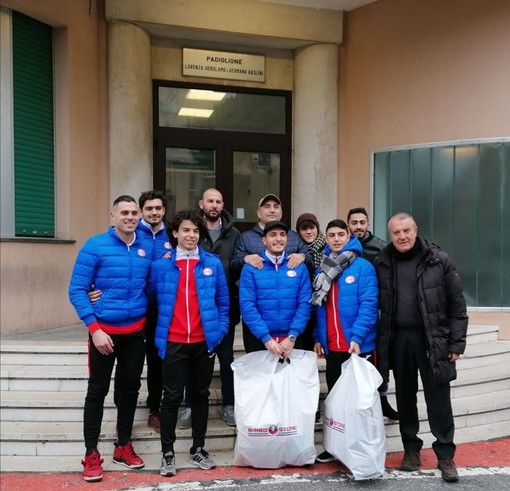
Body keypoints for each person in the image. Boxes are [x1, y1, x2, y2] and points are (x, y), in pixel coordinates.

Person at [374, 212, 468, 483]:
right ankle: (411, 450)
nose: (402, 236)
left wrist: (456, 343)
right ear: (390, 234)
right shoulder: (383, 261)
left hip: (433, 339)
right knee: (404, 397)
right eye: (396, 232)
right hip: (399, 340)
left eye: (406, 231)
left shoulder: (438, 260)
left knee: (438, 397)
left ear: (416, 231)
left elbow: (457, 305)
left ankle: (445, 454)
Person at [69, 195, 152, 482]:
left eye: (134, 212)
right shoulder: (95, 246)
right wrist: (95, 328)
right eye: (124, 212)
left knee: (129, 391)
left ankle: (123, 446)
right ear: (112, 216)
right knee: (97, 392)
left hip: (135, 332)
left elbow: (155, 283)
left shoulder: (146, 246)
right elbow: (77, 289)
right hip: (103, 333)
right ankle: (91, 453)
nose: (130, 217)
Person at [151, 210, 230, 477]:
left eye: (196, 231)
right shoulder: (161, 265)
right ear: (175, 233)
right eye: (186, 230)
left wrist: (217, 333)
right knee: (171, 398)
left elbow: (223, 303)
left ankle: (198, 448)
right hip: (173, 342)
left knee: (200, 396)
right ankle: (168, 453)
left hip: (203, 343)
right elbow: (151, 302)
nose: (191, 235)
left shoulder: (213, 263)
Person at [88, 190, 171, 433]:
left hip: (162, 310)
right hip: (131, 312)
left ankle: (154, 409)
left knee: (157, 362)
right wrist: (93, 289)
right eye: (148, 209)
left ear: (164, 210)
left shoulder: (173, 235)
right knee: (124, 370)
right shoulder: (133, 236)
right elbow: (110, 270)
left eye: (158, 208)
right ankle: (122, 413)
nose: (153, 212)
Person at [311, 219, 379, 463]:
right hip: (333, 348)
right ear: (326, 239)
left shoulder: (363, 267)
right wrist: (319, 338)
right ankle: (334, 446)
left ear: (349, 236)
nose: (336, 239)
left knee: (360, 404)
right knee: (334, 401)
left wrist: (358, 337)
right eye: (332, 235)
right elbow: (320, 308)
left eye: (341, 234)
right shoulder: (323, 268)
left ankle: (361, 448)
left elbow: (369, 306)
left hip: (358, 348)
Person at [177, 188, 241, 428]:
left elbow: (238, 264)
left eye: (218, 201)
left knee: (226, 360)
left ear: (223, 205)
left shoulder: (234, 234)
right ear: (201, 204)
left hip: (224, 309)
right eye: (210, 201)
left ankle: (229, 404)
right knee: (193, 361)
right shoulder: (193, 231)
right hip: (193, 308)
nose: (214, 205)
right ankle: (189, 405)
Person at [232, 194, 313, 351]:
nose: (278, 239)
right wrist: (266, 338)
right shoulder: (250, 267)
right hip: (260, 339)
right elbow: (247, 304)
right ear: (264, 240)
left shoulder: (298, 266)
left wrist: (292, 336)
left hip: (292, 339)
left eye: (282, 235)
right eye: (273, 235)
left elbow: (305, 303)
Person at [347, 207, 399, 420]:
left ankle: (383, 400)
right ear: (348, 224)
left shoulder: (381, 248)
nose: (358, 226)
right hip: (353, 314)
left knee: (381, 360)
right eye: (354, 222)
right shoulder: (343, 248)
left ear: (368, 224)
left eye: (362, 222)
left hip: (378, 312)